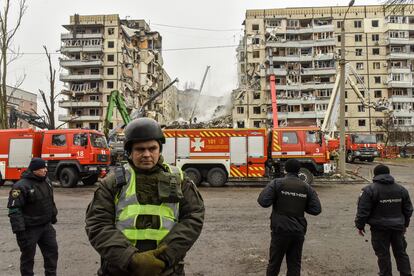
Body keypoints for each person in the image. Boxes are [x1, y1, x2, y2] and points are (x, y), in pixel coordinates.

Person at [85, 117, 205, 276]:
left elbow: (193, 217)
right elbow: (98, 224)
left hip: (166, 270)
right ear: (130, 151)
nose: (147, 154)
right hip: (121, 270)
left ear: (159, 149)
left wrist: (164, 257)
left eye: (152, 148)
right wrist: (130, 258)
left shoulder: (179, 179)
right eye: (140, 149)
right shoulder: (112, 183)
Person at [257, 159, 321, 276]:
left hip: (280, 231)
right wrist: (301, 203)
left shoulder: (277, 183)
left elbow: (263, 201)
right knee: (294, 264)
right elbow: (316, 209)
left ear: (285, 170)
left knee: (274, 264)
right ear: (299, 170)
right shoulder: (307, 187)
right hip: (298, 232)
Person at [355, 164, 413, 276]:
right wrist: (405, 224)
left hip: (379, 228)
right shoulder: (401, 189)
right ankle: (406, 274)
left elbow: (363, 211)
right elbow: (408, 210)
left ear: (375, 175)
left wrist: (360, 226)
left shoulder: (369, 190)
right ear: (388, 174)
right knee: (401, 253)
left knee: (383, 254)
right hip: (398, 227)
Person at [7, 157, 58, 276]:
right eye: (42, 168)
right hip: (30, 229)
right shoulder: (20, 186)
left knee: (52, 254)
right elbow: (14, 210)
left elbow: (50, 200)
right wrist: (20, 232)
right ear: (34, 170)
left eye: (45, 167)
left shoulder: (46, 181)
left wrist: (53, 215)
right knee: (28, 258)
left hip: (46, 227)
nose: (45, 170)